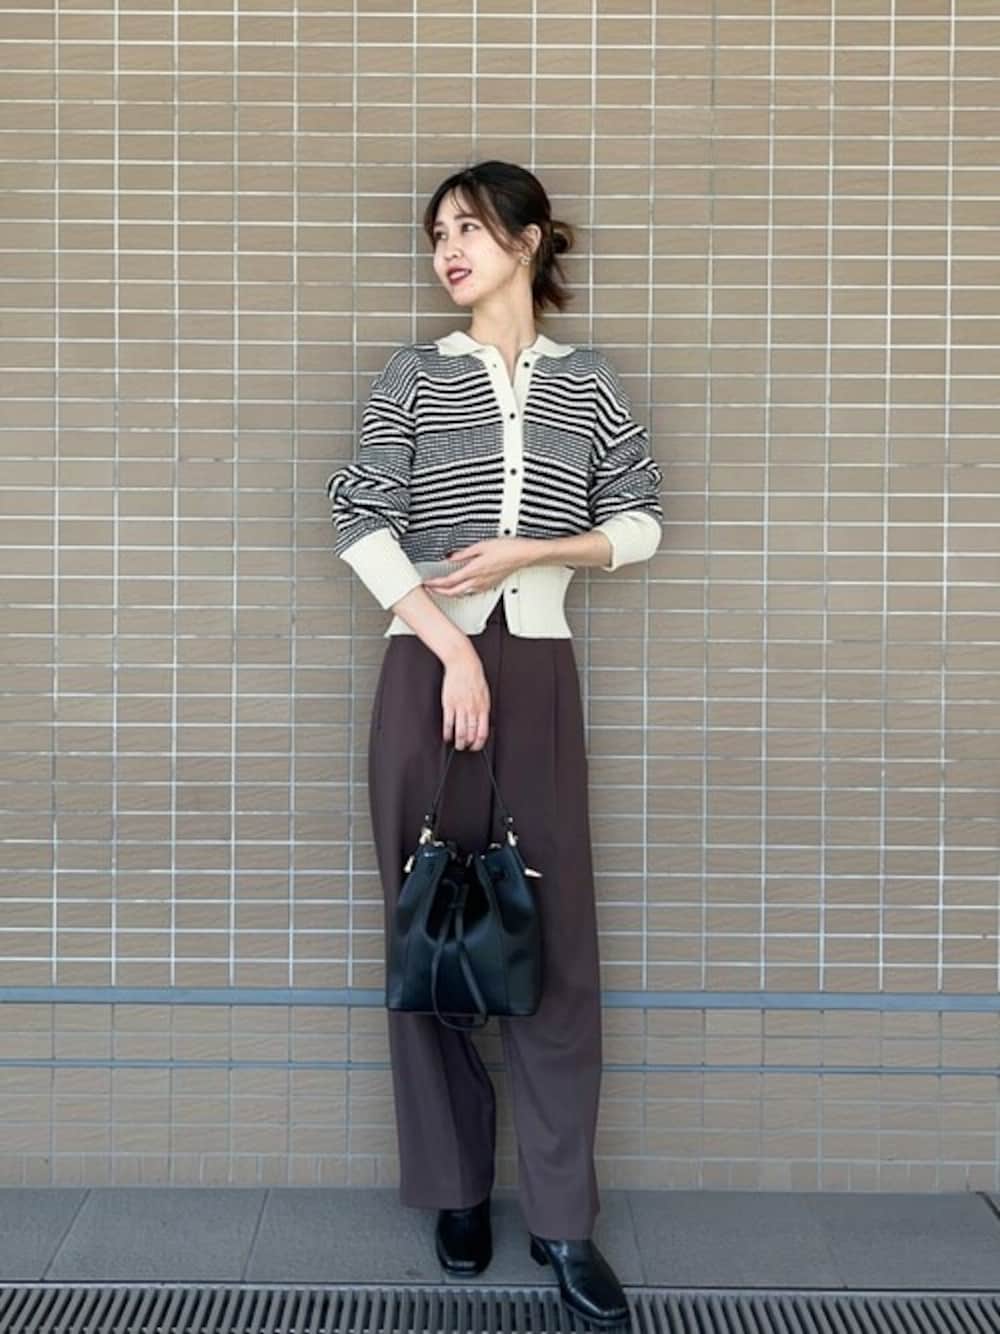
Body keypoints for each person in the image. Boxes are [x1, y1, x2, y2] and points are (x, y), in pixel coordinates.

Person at [325, 161, 662, 1328]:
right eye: (436, 236)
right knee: (427, 926)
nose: (448, 251)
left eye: (467, 228)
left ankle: (562, 1218)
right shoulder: (414, 375)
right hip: (425, 669)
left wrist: (536, 553)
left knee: (555, 941)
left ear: (526, 238)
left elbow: (640, 517)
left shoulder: (588, 382)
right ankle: (457, 1189)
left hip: (540, 675)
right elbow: (358, 515)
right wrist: (450, 648)